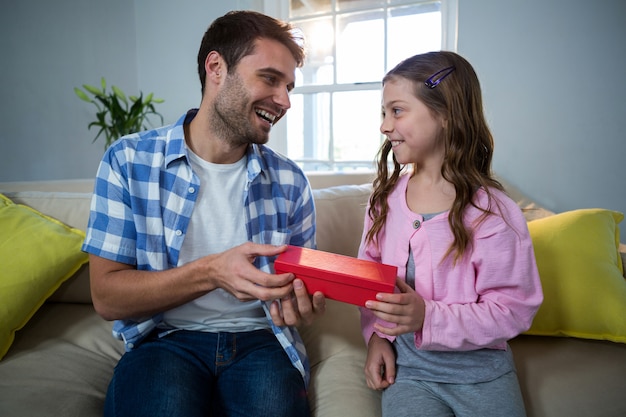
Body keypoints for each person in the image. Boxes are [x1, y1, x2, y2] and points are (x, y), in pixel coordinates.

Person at [82, 10, 326, 417]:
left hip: (262, 342)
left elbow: (298, 290)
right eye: (269, 79)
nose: (284, 101)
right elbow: (107, 296)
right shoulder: (127, 160)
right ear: (217, 67)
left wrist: (299, 305)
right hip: (164, 341)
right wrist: (213, 271)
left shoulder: (290, 180)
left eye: (288, 87)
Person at [358, 51, 543, 417]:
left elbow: (513, 310)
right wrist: (377, 338)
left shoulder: (494, 212)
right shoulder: (383, 202)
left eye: (397, 111)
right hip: (409, 375)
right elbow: (371, 280)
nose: (384, 126)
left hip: (483, 378)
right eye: (384, 113)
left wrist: (428, 315)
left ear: (444, 114)